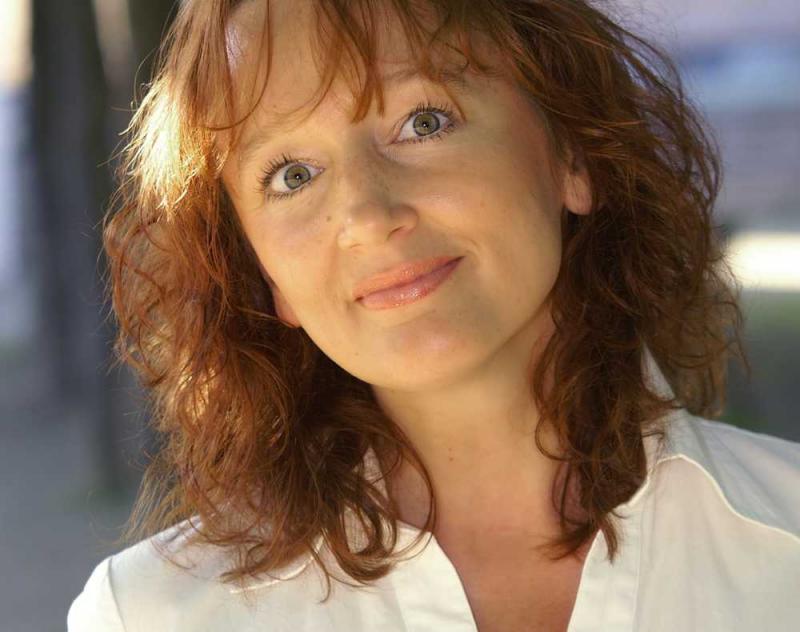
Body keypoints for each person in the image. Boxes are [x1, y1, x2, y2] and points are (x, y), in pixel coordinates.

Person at [67, 0, 800, 630]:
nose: (365, 214)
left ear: (572, 153)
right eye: (293, 175)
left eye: (423, 121)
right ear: (265, 275)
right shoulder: (151, 616)